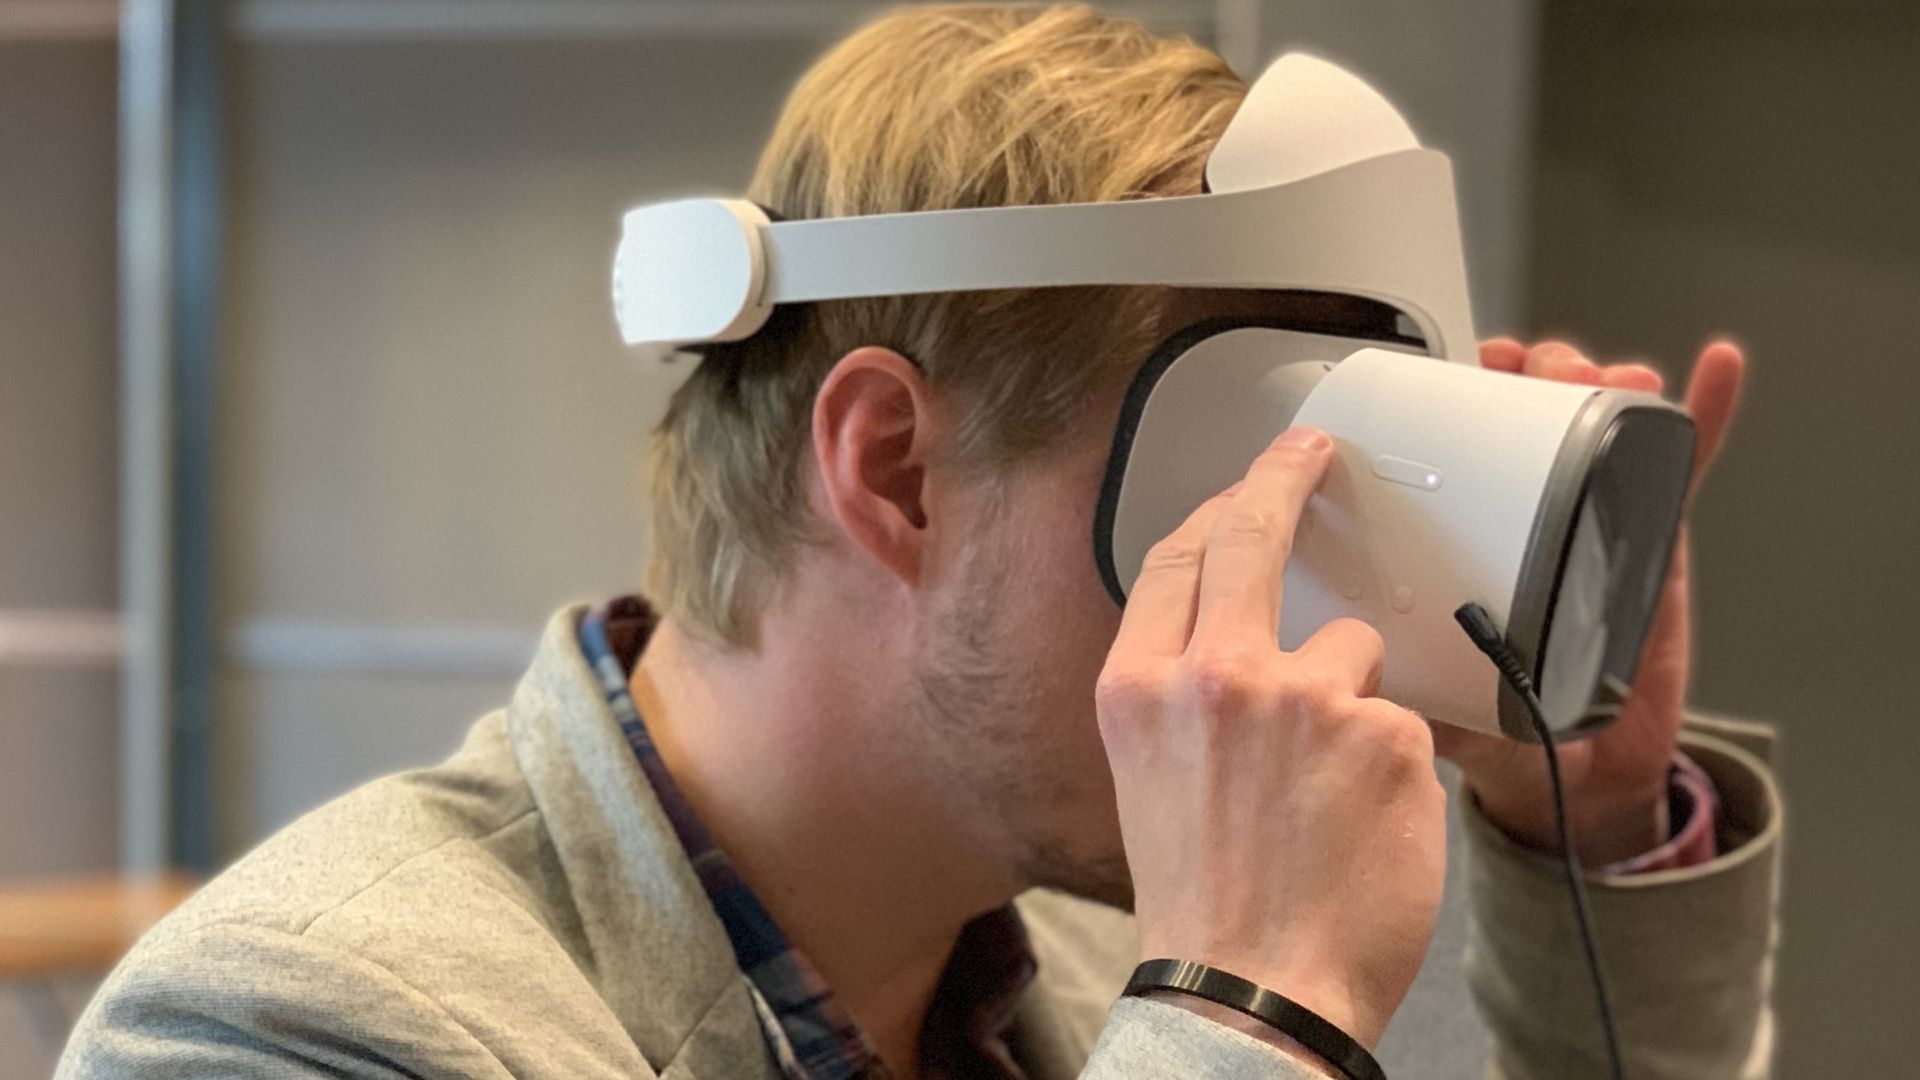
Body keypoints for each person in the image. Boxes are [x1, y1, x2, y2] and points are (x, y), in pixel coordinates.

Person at [58, 5, 1781, 1078]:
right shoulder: (299, 1023)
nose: (1295, 626)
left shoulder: (1096, 957)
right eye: (1248, 496)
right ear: (893, 469)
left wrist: (1591, 828)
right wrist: (1242, 1022)